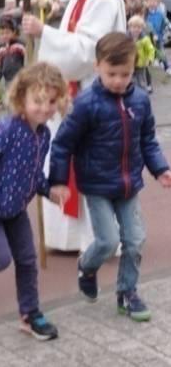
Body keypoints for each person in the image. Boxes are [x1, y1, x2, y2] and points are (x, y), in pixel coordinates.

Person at [49, 33, 171, 321]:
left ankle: (127, 293)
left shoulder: (140, 100)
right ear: (97, 67)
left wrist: (160, 168)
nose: (118, 80)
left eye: (125, 74)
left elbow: (148, 140)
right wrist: (57, 180)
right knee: (107, 241)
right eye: (111, 74)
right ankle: (87, 266)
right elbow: (63, 144)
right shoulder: (86, 104)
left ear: (134, 69)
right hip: (97, 185)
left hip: (128, 184)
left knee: (135, 240)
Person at [22, 0, 126, 252]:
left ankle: (98, 239)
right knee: (64, 159)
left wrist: (44, 33)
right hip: (73, 94)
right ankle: (68, 238)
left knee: (88, 165)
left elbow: (89, 52)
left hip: (92, 94)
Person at [0, 62, 69, 340]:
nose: (45, 108)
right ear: (21, 98)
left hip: (16, 210)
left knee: (27, 260)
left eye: (51, 101)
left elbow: (34, 175)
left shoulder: (43, 135)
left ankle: (29, 314)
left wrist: (49, 191)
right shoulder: (7, 129)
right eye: (38, 100)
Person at [0, 17, 25, 86]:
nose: (4, 36)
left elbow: (27, 61)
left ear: (14, 32)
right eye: (2, 33)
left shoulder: (20, 46)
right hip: (8, 80)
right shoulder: (1, 49)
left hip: (20, 79)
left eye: (7, 33)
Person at [145, 0, 171, 74]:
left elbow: (165, 23)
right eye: (150, 1)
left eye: (155, 1)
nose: (152, 3)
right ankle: (150, 63)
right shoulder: (145, 14)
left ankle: (166, 66)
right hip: (148, 38)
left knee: (161, 51)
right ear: (146, 2)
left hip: (158, 37)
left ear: (158, 3)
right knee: (149, 51)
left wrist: (166, 30)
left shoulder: (160, 14)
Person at [127, 15, 155, 92]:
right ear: (129, 27)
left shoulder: (145, 39)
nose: (136, 29)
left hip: (141, 64)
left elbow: (151, 50)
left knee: (141, 81)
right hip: (129, 64)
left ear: (142, 28)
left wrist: (150, 59)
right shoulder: (126, 38)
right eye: (134, 27)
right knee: (129, 80)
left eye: (139, 27)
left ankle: (142, 94)